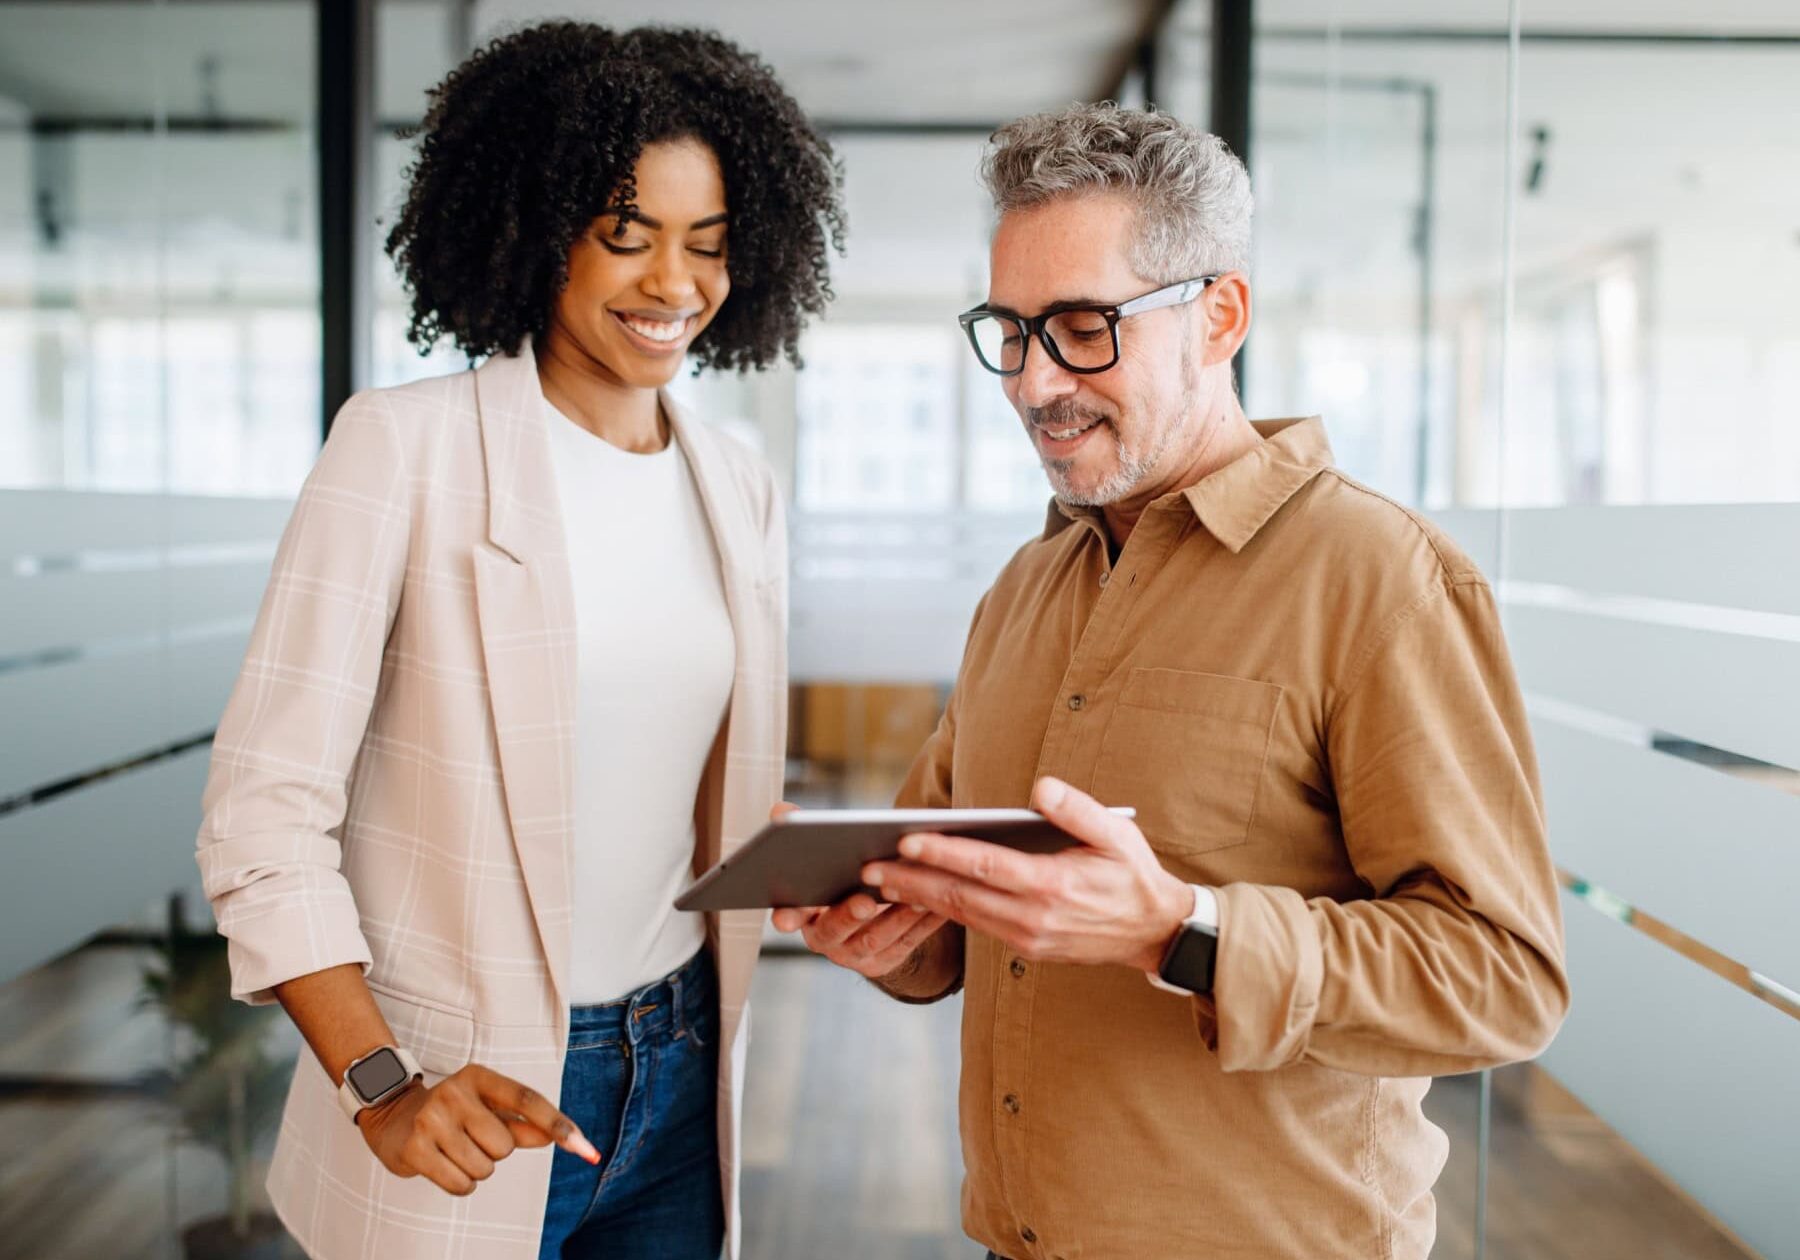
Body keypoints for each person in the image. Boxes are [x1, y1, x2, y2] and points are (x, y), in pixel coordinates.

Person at [776, 102, 1567, 1260]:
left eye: (1085, 326)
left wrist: (1178, 929)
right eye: (1012, 328)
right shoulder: (1025, 588)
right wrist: (894, 934)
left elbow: (1503, 981)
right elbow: (958, 911)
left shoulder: (1382, 580)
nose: (1034, 381)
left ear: (1219, 316)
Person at [196, 23, 842, 1260]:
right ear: (537, 226)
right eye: (627, 235)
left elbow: (691, 793)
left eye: (707, 246)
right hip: (464, 1090)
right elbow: (262, 815)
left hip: (683, 1060)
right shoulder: (404, 449)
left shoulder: (737, 484)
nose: (674, 285)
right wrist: (380, 1082)